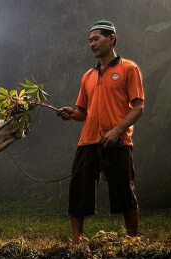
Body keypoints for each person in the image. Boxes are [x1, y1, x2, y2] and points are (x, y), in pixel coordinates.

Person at [57, 20, 145, 243]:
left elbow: (138, 107)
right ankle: (77, 240)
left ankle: (132, 241)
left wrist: (117, 131)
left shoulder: (128, 68)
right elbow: (82, 113)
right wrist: (71, 113)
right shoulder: (87, 76)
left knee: (124, 190)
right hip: (87, 141)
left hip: (117, 141)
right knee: (78, 190)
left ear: (112, 38)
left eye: (96, 38)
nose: (92, 44)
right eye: (90, 40)